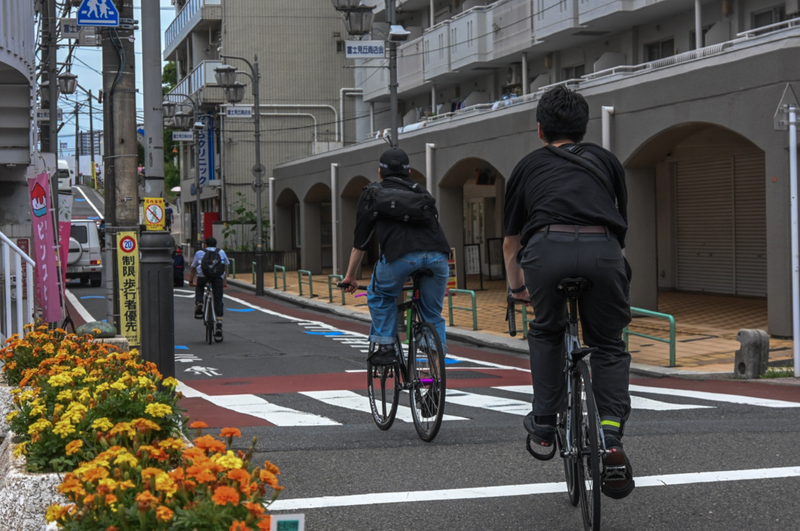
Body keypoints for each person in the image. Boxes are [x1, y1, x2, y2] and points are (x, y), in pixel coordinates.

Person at [503, 85, 634, 499]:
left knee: (547, 329)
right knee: (609, 344)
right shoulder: (607, 161)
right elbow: (619, 226)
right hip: (602, 251)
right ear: (583, 128)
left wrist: (517, 289)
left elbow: (510, 243)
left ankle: (544, 425)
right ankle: (610, 436)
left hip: (546, 251)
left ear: (540, 129)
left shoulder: (526, 166)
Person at [341, 148, 451, 365]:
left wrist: (350, 277)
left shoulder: (372, 194)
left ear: (380, 173)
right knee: (432, 314)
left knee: (379, 294)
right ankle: (435, 379)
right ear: (408, 171)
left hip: (399, 257)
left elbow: (360, 242)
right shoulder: (422, 192)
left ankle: (387, 346)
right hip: (438, 256)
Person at [187, 237, 229, 339]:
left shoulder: (199, 253)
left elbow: (193, 269)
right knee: (218, 299)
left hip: (203, 277)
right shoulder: (221, 252)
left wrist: (191, 281)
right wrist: (224, 282)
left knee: (200, 287)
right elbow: (224, 268)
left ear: (205, 245)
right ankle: (219, 325)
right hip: (217, 278)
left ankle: (200, 302)